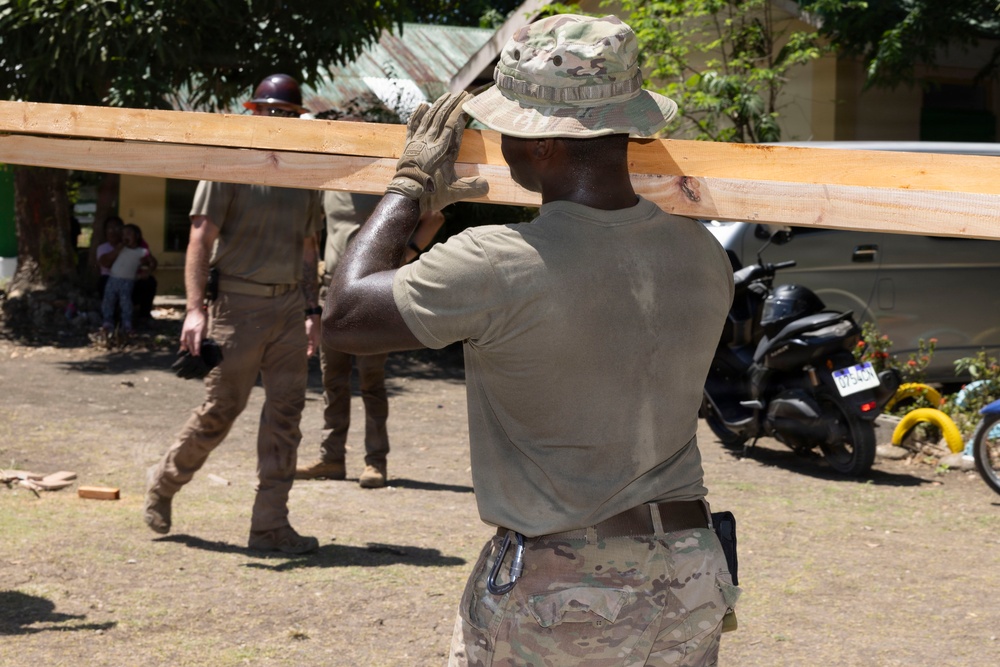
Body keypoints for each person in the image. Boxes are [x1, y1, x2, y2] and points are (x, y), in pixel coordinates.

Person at [321, 14, 740, 665]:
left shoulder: (500, 262)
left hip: (572, 593)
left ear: (543, 144)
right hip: (689, 574)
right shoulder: (704, 256)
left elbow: (344, 314)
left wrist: (408, 186)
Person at [143, 73, 325, 555]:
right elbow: (200, 240)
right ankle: (163, 485)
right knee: (220, 412)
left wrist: (312, 308)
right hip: (237, 308)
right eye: (270, 111)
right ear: (254, 112)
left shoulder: (305, 172)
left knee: (287, 414)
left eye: (286, 114)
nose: (278, 120)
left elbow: (309, 247)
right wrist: (195, 310)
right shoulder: (230, 164)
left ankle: (269, 527)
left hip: (289, 306)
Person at [295, 190, 444, 488]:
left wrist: (407, 253)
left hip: (370, 292)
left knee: (371, 382)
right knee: (332, 381)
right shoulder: (329, 187)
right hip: (330, 290)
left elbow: (434, 217)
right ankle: (331, 458)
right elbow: (310, 236)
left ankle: (376, 462)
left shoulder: (386, 186)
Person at [100, 223, 151, 339]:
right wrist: (118, 248)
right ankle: (107, 322)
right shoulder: (119, 249)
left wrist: (147, 270)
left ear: (137, 236)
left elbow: (151, 262)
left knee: (126, 302)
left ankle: (127, 324)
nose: (125, 237)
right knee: (108, 300)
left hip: (128, 281)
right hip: (113, 278)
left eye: (129, 233)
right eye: (123, 234)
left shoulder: (142, 251)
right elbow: (105, 260)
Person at [131, 223, 159, 326]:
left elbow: (152, 263)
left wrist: (149, 267)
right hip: (122, 278)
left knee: (150, 282)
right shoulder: (121, 247)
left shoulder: (142, 248)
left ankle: (144, 315)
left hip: (138, 279)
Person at [96, 215, 125, 300]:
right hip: (109, 279)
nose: (113, 232)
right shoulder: (102, 248)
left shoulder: (129, 247)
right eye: (110, 228)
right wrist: (118, 249)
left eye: (116, 228)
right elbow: (106, 263)